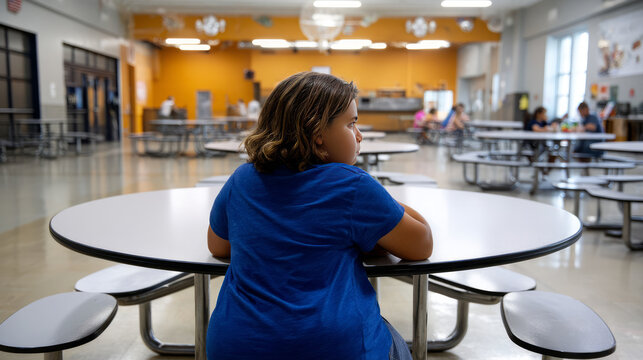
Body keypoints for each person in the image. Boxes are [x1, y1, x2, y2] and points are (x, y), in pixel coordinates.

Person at [206, 71, 433, 360]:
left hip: (234, 346)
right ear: (318, 137)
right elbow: (422, 243)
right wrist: (380, 198)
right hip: (332, 347)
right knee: (396, 341)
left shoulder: (242, 179)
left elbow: (218, 245)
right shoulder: (352, 184)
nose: (359, 135)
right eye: (351, 124)